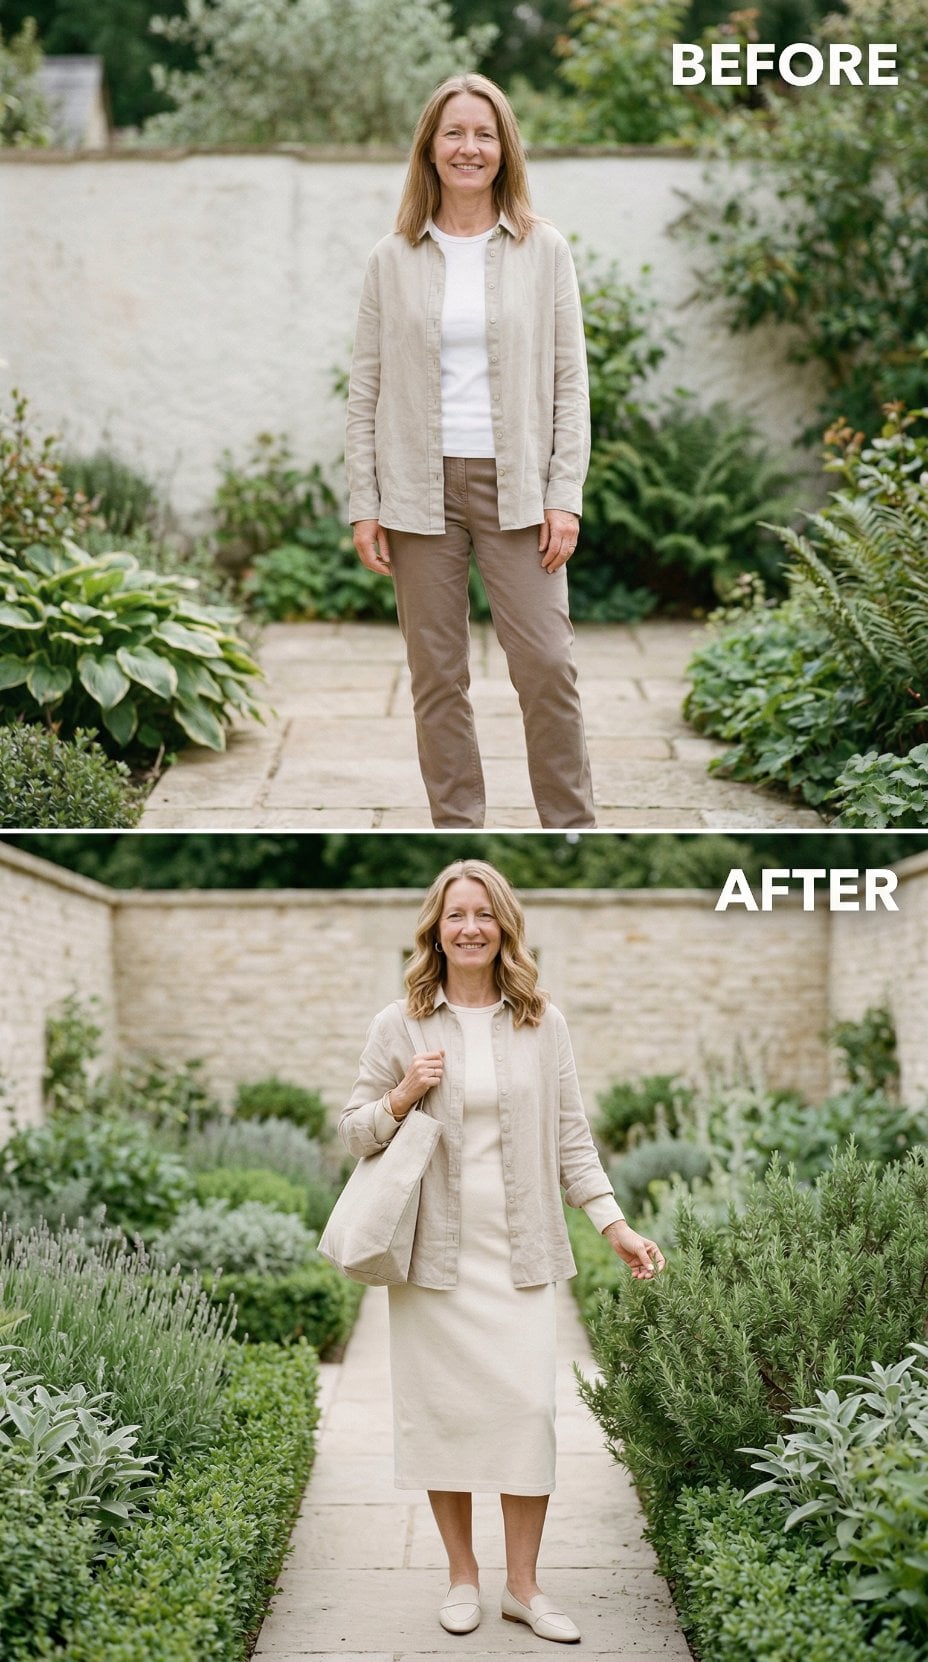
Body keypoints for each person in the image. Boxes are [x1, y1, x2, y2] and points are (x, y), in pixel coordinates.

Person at [339, 859, 665, 1644]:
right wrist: (401, 1095)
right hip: (432, 1261)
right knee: (442, 1419)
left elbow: (572, 1138)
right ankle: (462, 1577)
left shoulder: (542, 1023)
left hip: (519, 1257)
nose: (471, 927)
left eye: (484, 913)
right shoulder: (400, 1023)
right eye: (456, 914)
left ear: (505, 926)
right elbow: (353, 1131)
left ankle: (523, 1587)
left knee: (527, 1416)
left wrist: (614, 1224)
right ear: (435, 929)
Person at [346, 74, 595, 831]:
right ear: (430, 147)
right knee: (437, 678)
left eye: (484, 134)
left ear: (504, 149)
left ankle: (572, 827)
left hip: (518, 489)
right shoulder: (391, 258)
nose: (469, 148)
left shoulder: (543, 250)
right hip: (417, 493)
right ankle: (457, 826)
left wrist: (564, 494)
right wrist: (365, 502)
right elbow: (364, 389)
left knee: (547, 665)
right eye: (453, 133)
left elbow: (570, 381)